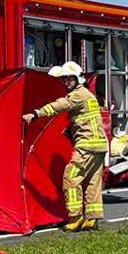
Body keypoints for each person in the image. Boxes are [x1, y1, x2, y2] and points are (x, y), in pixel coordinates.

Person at [23, 62, 107, 231]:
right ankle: (92, 219)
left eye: (69, 79)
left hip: (86, 145)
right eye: (64, 79)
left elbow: (60, 105)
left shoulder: (78, 95)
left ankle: (75, 217)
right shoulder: (88, 95)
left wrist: (35, 114)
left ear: (78, 78)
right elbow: (86, 119)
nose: (66, 82)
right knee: (92, 181)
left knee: (71, 178)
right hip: (99, 146)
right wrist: (71, 129)